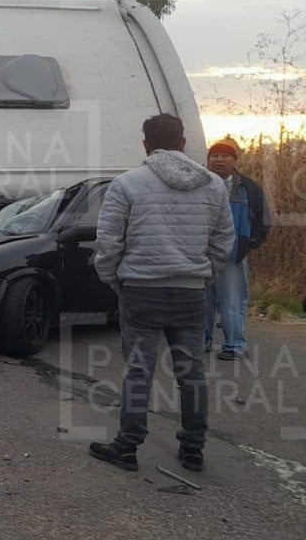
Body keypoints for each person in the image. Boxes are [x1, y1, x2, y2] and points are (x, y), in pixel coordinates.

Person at [90, 114, 233, 473]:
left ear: (146, 145)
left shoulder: (127, 185)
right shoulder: (214, 186)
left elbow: (108, 243)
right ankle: (193, 449)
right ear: (184, 143)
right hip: (190, 293)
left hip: (140, 290)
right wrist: (205, 278)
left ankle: (127, 446)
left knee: (138, 371)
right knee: (191, 373)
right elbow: (222, 243)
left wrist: (114, 280)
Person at [204, 137, 271, 360]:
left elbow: (263, 220)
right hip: (200, 256)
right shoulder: (198, 183)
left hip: (232, 256)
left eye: (225, 156)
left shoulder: (248, 188)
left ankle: (234, 346)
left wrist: (250, 243)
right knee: (200, 302)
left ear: (235, 160)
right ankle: (201, 342)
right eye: (214, 155)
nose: (219, 160)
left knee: (231, 302)